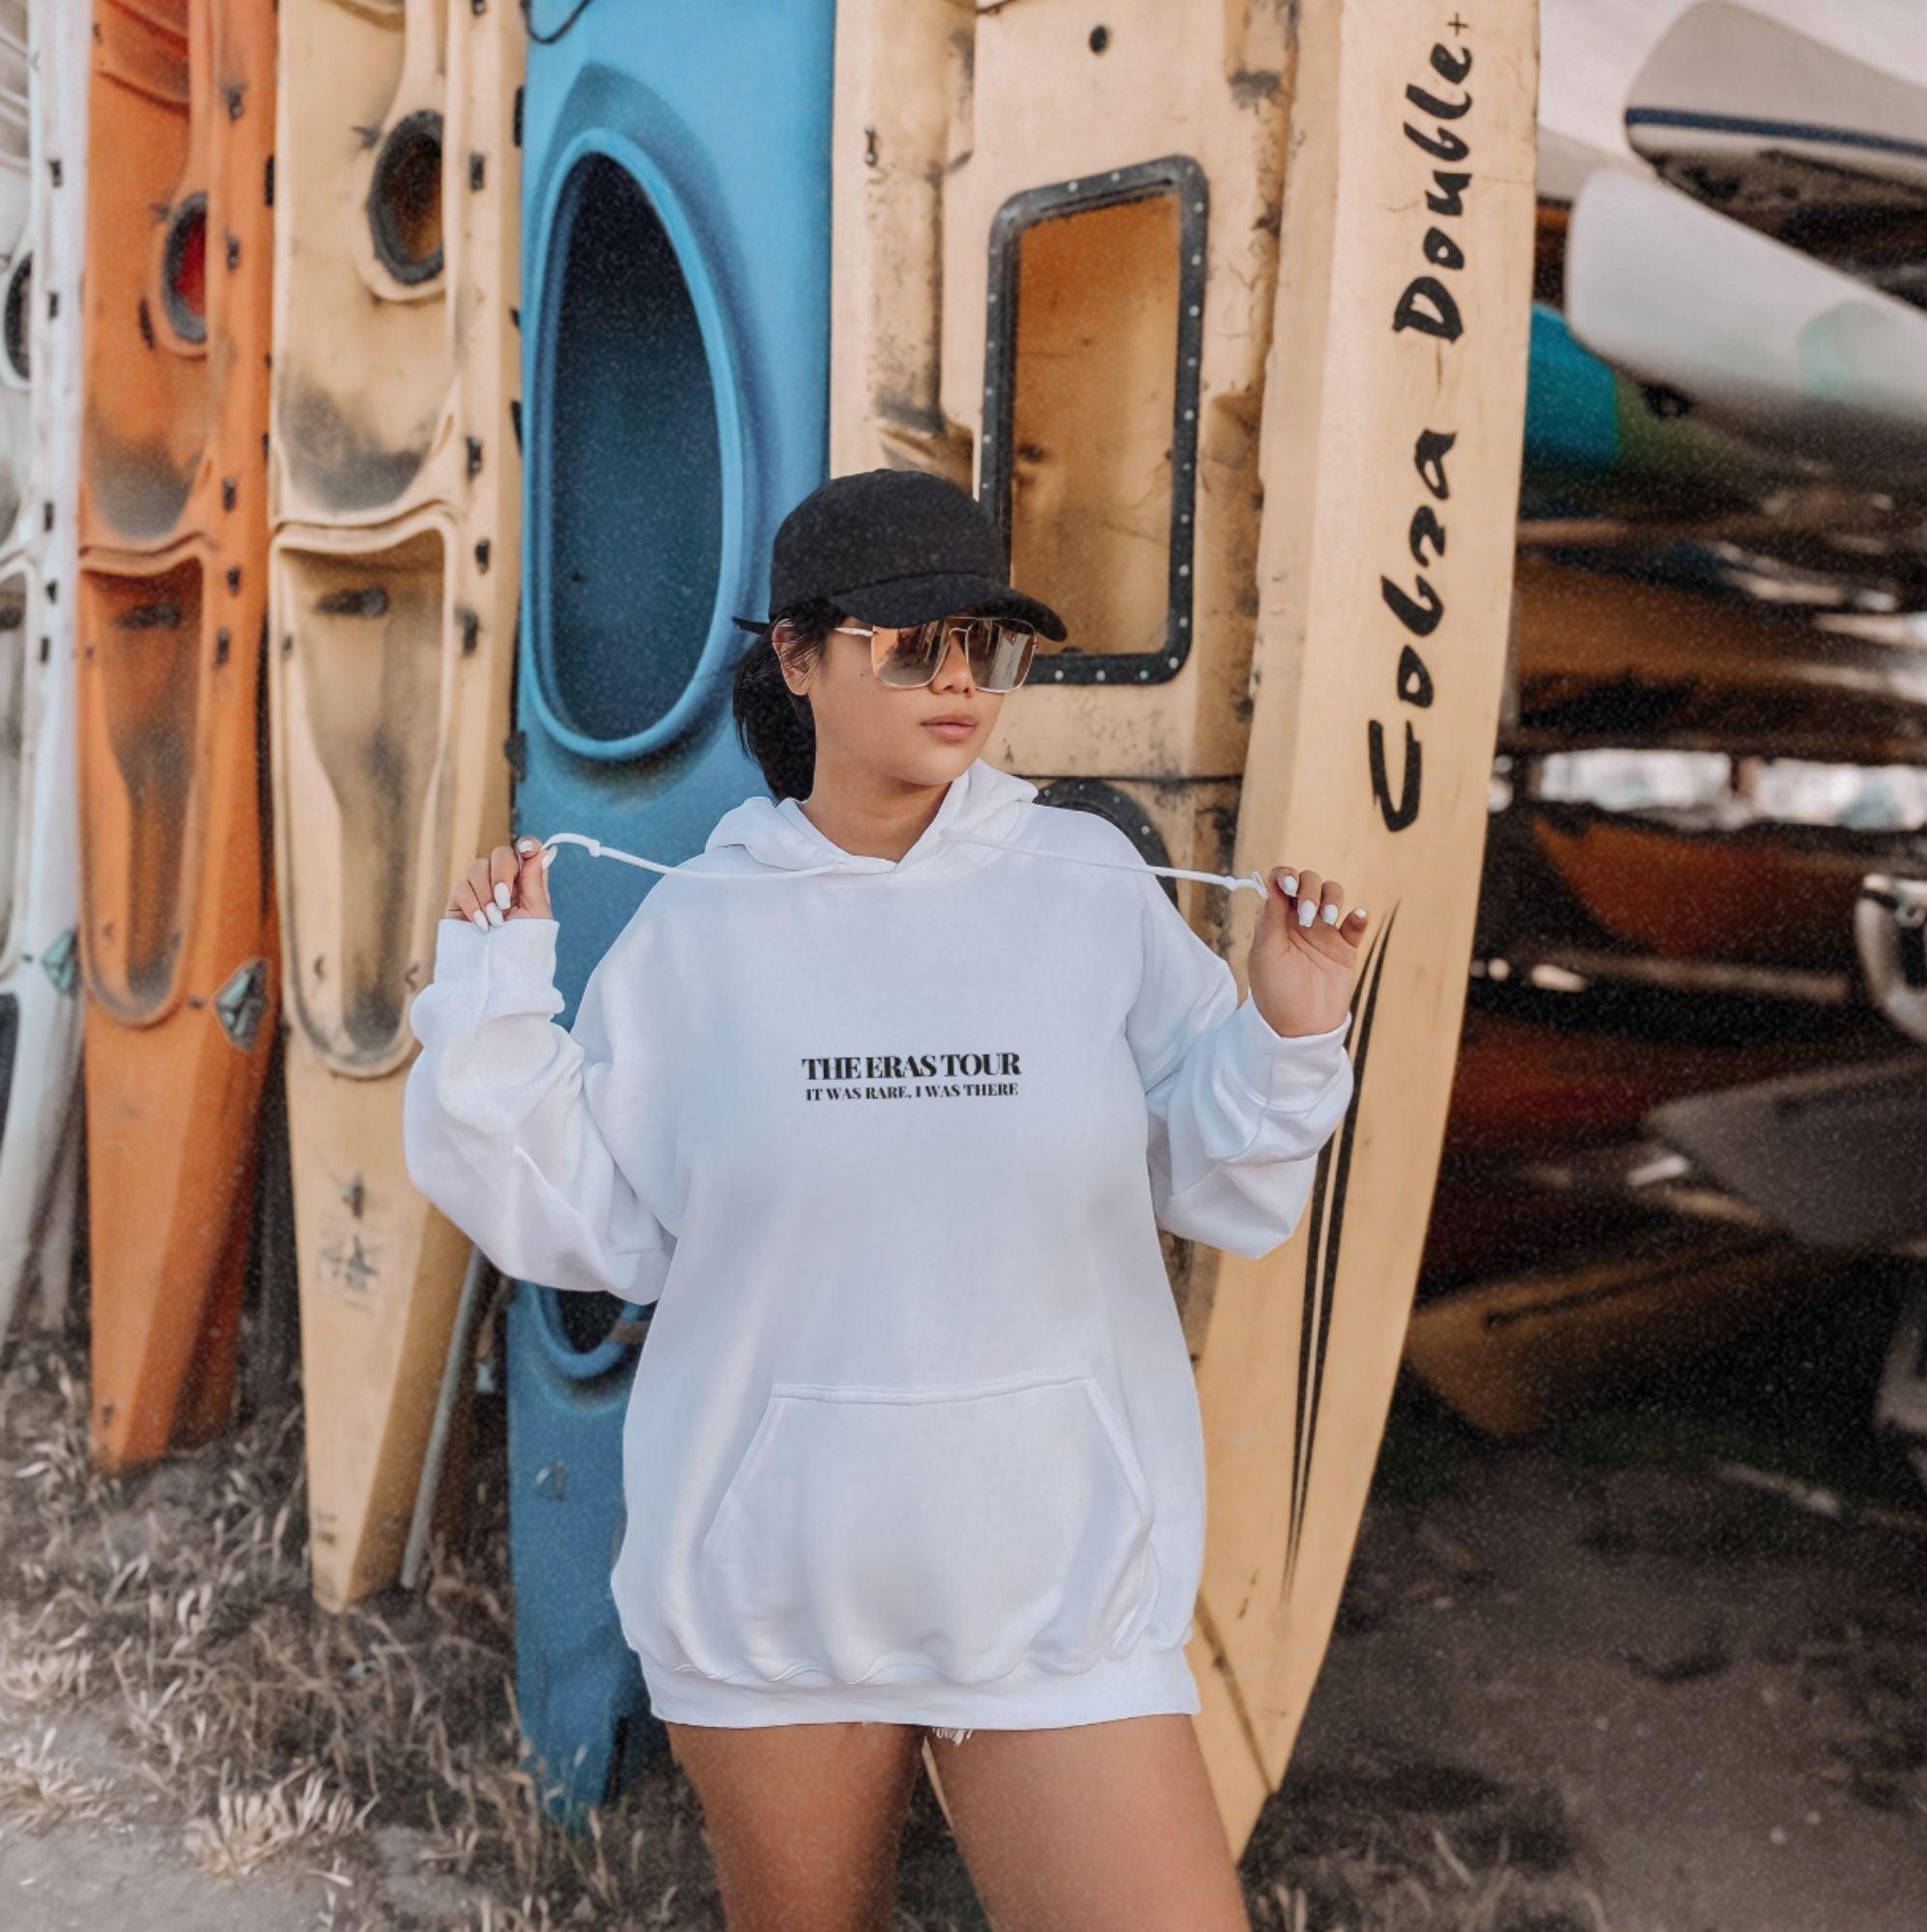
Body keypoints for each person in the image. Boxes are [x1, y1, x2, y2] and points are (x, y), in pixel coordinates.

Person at [403, 468, 1367, 1931]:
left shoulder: (1088, 888)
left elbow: (1217, 1184)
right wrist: (491, 999)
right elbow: (592, 1227)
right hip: (774, 1599)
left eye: (988, 642)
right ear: (798, 657)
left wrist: (1287, 1027)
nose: (961, 681)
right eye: (913, 644)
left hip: (1052, 1590)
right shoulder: (702, 933)